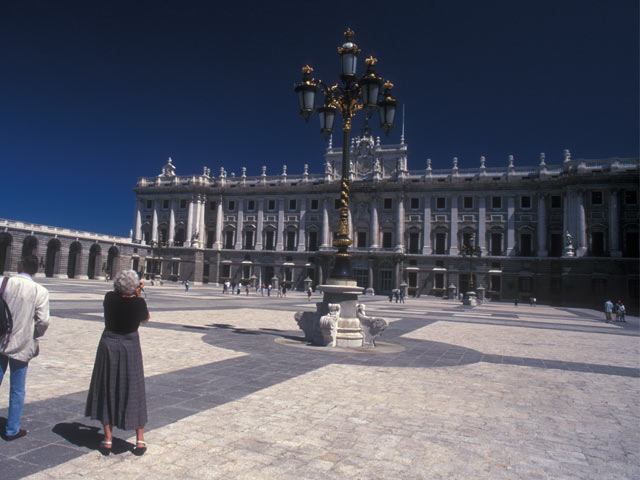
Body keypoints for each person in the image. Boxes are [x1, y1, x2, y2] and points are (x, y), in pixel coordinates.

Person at [85, 270, 150, 456]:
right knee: (134, 388)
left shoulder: (109, 298)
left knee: (107, 386)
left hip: (108, 344)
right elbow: (145, 318)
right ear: (135, 286)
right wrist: (137, 293)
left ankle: (107, 439)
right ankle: (140, 439)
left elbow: (116, 293)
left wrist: (130, 290)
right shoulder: (138, 302)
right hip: (129, 346)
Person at [0, 255, 50, 441]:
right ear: (36, 270)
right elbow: (44, 321)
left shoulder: (3, 282)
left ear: (20, 265)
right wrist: (35, 334)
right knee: (17, 389)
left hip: (0, 339)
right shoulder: (40, 291)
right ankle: (12, 429)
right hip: (22, 344)